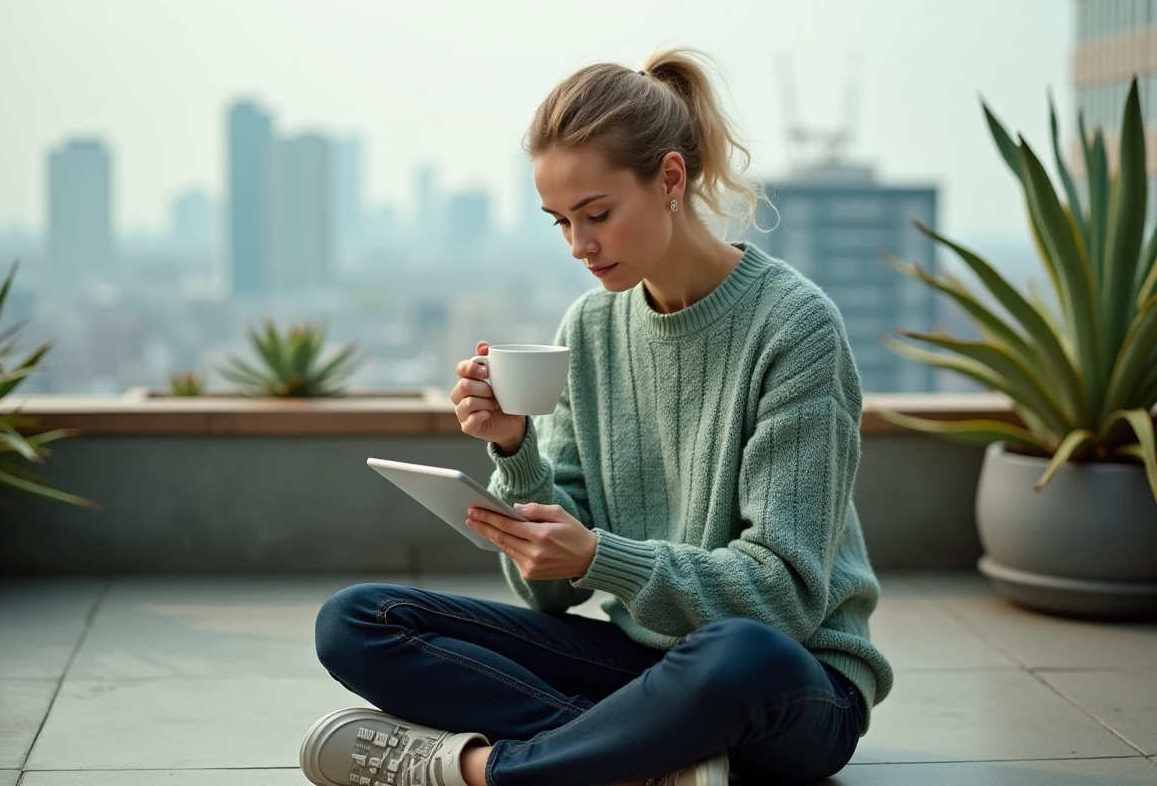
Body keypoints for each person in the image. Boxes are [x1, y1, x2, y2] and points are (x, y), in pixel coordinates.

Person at [300, 46, 893, 786]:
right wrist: (515, 447)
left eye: (598, 215)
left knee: (736, 653)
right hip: (646, 665)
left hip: (791, 682)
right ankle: (647, 756)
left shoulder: (794, 326)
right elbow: (553, 595)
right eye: (559, 222)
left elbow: (784, 599)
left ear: (671, 179)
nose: (580, 246)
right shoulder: (589, 327)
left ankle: (484, 769)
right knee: (357, 620)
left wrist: (597, 556)